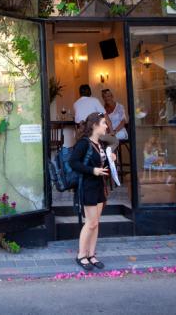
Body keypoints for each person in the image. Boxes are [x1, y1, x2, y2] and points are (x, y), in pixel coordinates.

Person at [70, 112, 113, 270]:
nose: (106, 126)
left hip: (99, 187)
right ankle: (81, 255)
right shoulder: (83, 143)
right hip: (87, 187)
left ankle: (91, 254)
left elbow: (101, 164)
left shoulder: (100, 144)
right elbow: (73, 163)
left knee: (96, 223)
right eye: (104, 123)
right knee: (91, 222)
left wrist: (110, 159)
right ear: (95, 125)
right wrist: (92, 170)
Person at [74, 85, 118, 150]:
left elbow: (77, 121)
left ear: (80, 93)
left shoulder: (75, 103)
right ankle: (106, 156)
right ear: (90, 92)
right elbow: (106, 117)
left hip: (81, 136)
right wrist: (111, 132)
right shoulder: (94, 101)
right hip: (95, 134)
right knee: (115, 141)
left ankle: (100, 153)